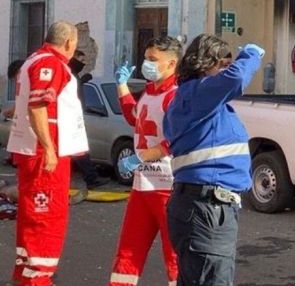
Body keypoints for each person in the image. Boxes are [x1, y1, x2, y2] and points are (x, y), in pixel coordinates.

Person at [162, 35, 263, 285]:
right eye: (223, 65)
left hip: (197, 206)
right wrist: (251, 53)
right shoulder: (199, 94)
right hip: (208, 209)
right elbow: (237, 78)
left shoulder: (193, 100)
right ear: (205, 64)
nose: (227, 71)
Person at [6, 21, 90, 285]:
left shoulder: (34, 60)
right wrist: (50, 149)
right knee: (47, 217)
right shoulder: (51, 63)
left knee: (33, 215)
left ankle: (28, 272)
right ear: (69, 43)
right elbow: (39, 106)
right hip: (44, 153)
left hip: (35, 151)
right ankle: (38, 277)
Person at [108, 36, 183, 286]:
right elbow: (134, 117)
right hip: (142, 185)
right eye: (146, 58)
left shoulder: (175, 95)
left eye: (153, 60)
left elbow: (174, 140)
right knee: (129, 249)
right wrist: (122, 86)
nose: (146, 64)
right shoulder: (149, 93)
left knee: (174, 254)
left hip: (167, 186)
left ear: (171, 64)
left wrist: (139, 157)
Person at [68, 50, 109, 192]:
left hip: (76, 115)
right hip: (70, 117)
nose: (83, 63)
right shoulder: (68, 73)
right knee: (79, 150)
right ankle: (91, 178)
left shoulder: (73, 74)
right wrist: (81, 81)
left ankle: (91, 177)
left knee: (78, 151)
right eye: (80, 59)